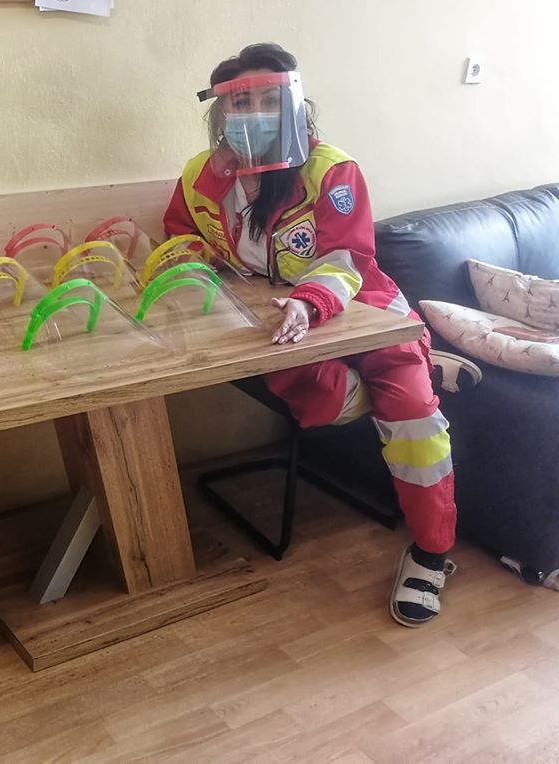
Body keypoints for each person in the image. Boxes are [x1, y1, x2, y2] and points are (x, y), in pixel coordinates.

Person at [165, 43, 462, 629]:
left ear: (294, 104)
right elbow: (182, 232)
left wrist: (309, 301)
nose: (254, 113)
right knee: (324, 401)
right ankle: (434, 365)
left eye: (268, 99)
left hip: (363, 310)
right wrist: (196, 263)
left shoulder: (331, 170)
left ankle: (432, 554)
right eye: (240, 103)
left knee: (414, 421)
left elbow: (346, 257)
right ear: (221, 112)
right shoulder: (201, 174)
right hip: (274, 324)